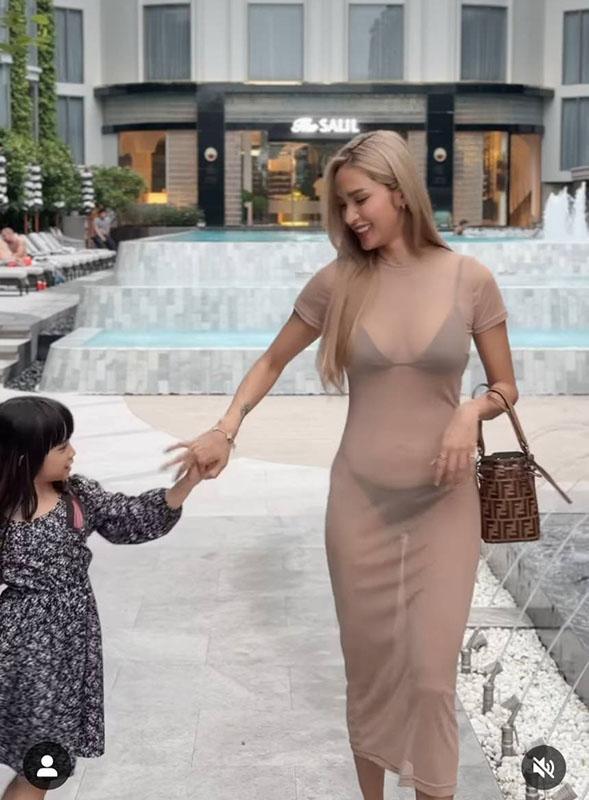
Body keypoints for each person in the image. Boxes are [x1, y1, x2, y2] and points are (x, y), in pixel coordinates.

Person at [162, 130, 518, 800]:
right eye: (341, 205)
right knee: (370, 671)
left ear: (399, 191)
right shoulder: (337, 283)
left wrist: (471, 412)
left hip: (445, 504)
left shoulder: (470, 279)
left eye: (360, 199)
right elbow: (272, 360)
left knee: (431, 678)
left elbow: (506, 386)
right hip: (360, 505)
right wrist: (226, 428)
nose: (350, 216)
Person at [0, 395, 203, 800]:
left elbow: (131, 519)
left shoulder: (77, 496)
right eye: (61, 446)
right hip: (22, 653)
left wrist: (188, 482)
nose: (73, 453)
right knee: (41, 761)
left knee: (41, 762)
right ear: (25, 456)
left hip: (67, 651)